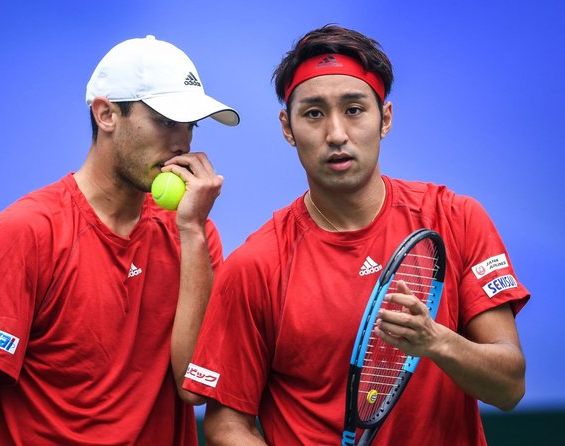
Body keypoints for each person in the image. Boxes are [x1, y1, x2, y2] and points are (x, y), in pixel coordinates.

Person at [182, 24, 529, 445]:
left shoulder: (456, 218)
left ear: (384, 119)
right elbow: (226, 424)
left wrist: (435, 340)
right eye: (313, 113)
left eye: (354, 109)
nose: (336, 134)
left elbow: (509, 387)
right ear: (287, 128)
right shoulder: (256, 265)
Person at [0, 35, 239, 445]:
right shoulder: (26, 233)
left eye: (189, 124)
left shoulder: (193, 232)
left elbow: (192, 387)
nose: (182, 142)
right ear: (106, 114)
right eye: (165, 120)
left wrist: (194, 232)